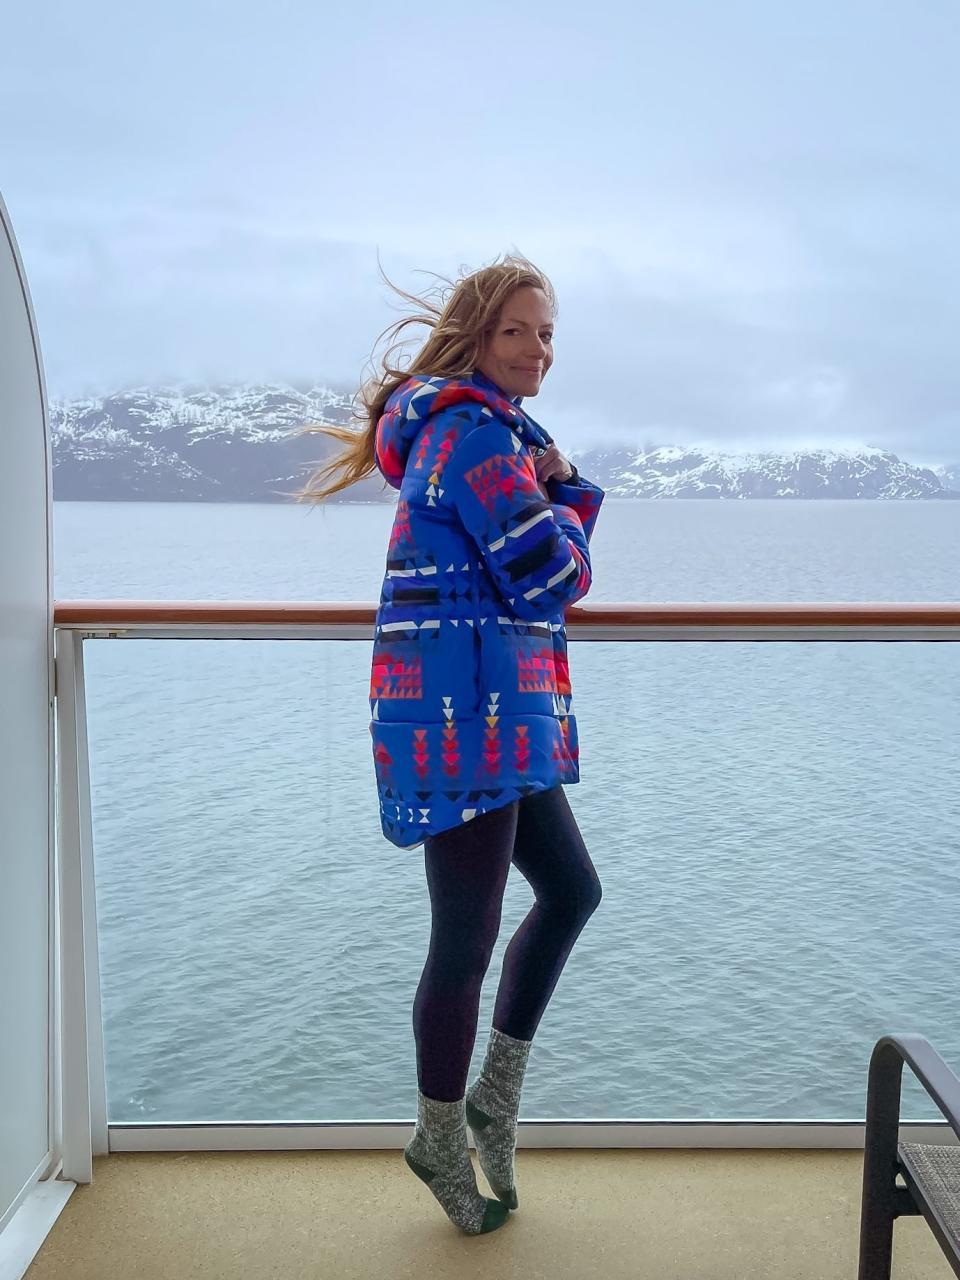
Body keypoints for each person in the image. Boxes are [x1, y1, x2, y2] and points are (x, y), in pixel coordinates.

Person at [294, 253, 605, 1235]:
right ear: (477, 337)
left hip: (488, 714)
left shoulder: (493, 432)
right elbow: (547, 574)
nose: (537, 348)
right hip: (462, 724)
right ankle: (440, 1131)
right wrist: (569, 498)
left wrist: (553, 477)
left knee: (570, 891)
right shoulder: (474, 436)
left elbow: (520, 558)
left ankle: (492, 1103)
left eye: (548, 331)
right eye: (517, 330)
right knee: (464, 940)